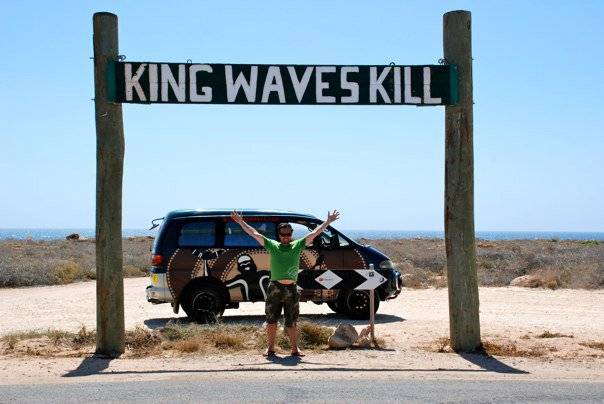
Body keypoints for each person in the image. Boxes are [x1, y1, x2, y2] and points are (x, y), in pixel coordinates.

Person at [230, 209, 340, 357]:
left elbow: (314, 233)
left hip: (291, 288)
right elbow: (254, 233)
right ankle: (270, 348)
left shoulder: (297, 245)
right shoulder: (272, 245)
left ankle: (295, 349)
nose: (286, 237)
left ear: (291, 233)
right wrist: (241, 222)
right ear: (279, 234)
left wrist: (327, 221)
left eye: (288, 234)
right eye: (283, 234)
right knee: (271, 320)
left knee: (292, 321)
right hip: (275, 287)